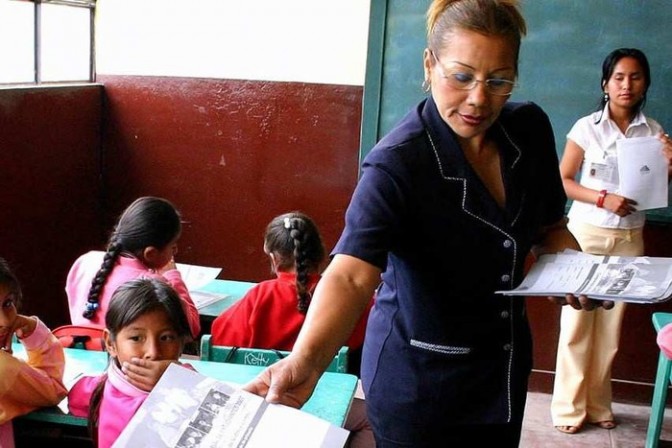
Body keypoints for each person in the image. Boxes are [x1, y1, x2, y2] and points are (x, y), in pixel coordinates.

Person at [243, 1, 611, 446]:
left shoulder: (527, 129)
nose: (479, 98)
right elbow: (352, 275)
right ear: (429, 64)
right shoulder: (398, 163)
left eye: (499, 81)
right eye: (461, 76)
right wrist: (305, 363)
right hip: (420, 386)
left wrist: (572, 267)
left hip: (502, 372)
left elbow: (550, 227)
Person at [552, 48, 672, 435]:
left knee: (610, 328)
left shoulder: (654, 132)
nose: (626, 84)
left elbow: (656, 190)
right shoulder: (587, 127)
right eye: (619, 77)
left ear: (645, 85)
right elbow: (564, 180)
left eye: (635, 77)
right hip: (586, 232)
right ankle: (568, 410)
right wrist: (603, 198)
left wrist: (670, 168)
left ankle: (599, 403)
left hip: (630, 236)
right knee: (576, 324)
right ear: (605, 84)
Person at [211, 211, 374, 448]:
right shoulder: (347, 299)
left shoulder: (260, 295)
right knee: (372, 420)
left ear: (274, 259)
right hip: (326, 402)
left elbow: (221, 340)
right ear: (322, 254)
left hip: (265, 399)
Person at [68, 277, 194, 448]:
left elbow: (76, 395)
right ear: (111, 344)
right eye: (136, 338)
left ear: (181, 343)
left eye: (166, 338)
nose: (153, 353)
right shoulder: (187, 390)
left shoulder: (106, 384)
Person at [65, 196, 201, 339]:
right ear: (150, 253)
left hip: (78, 351)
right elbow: (192, 327)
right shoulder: (151, 284)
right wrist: (172, 275)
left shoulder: (85, 261)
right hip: (128, 358)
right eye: (173, 247)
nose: (176, 251)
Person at [0, 257, 67, 448]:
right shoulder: (4, 369)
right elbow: (53, 389)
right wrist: (31, 330)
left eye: (7, 303)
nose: (4, 321)